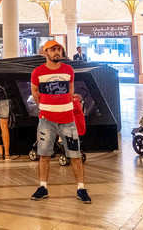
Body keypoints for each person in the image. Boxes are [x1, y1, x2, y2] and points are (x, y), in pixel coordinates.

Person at [30, 39, 90, 203]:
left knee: (75, 155)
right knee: (44, 154)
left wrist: (67, 102)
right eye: (53, 49)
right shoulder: (38, 72)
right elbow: (35, 91)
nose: (57, 52)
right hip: (46, 119)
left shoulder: (68, 70)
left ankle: (81, 188)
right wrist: (43, 105)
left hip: (67, 119)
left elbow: (70, 89)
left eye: (59, 49)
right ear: (45, 52)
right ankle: (43, 187)